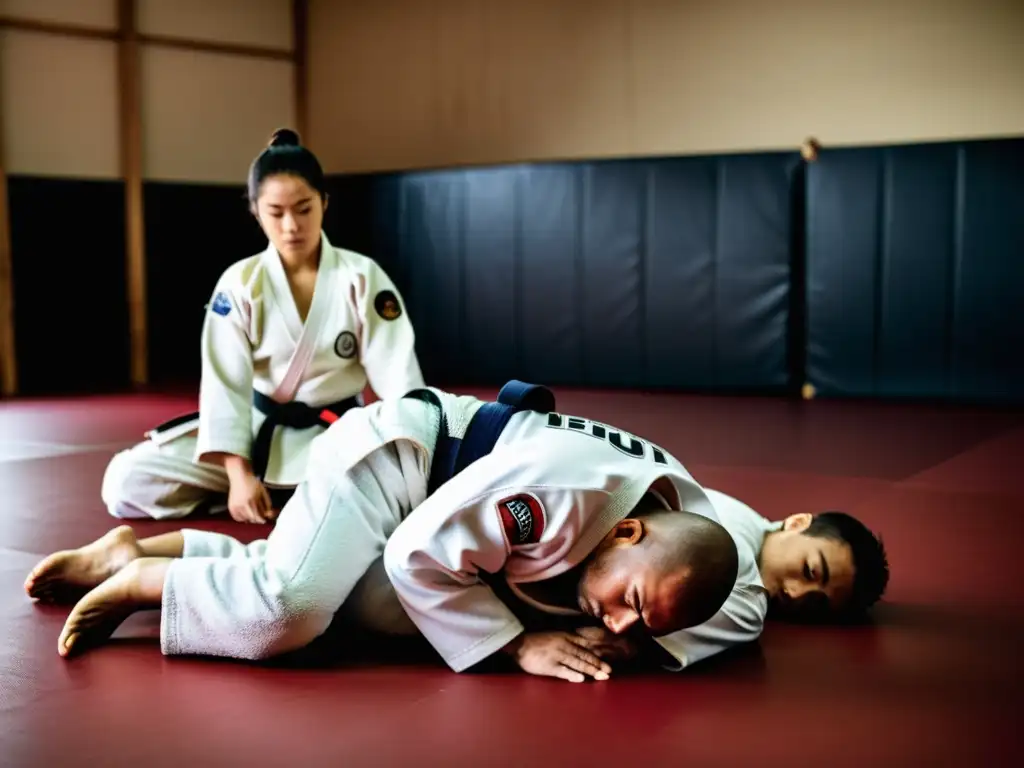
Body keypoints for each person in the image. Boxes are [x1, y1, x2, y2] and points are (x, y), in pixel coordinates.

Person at [26, 382, 741, 683]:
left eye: (640, 624)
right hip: (396, 461)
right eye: (633, 604)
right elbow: (413, 554)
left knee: (361, 611)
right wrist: (518, 643)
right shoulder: (559, 492)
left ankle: (146, 546)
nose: (618, 622)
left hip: (444, 504)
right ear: (627, 532)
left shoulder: (686, 523)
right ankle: (147, 580)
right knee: (292, 614)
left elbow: (709, 589)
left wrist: (640, 640)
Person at [102, 128, 424, 524]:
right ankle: (261, 495)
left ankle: (285, 497)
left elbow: (399, 378)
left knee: (405, 483)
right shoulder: (240, 284)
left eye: (304, 209)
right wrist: (238, 476)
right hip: (253, 437)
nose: (291, 225)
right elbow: (225, 386)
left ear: (324, 203)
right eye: (276, 212)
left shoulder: (361, 276)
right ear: (255, 210)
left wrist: (417, 447)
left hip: (335, 436)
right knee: (125, 481)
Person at [566, 489, 890, 670]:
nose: (794, 592)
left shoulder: (729, 508)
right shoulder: (747, 607)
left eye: (816, 603)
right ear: (797, 522)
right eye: (810, 571)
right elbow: (606, 640)